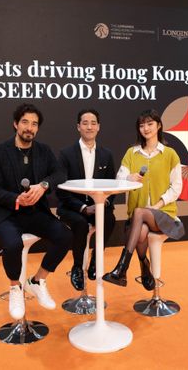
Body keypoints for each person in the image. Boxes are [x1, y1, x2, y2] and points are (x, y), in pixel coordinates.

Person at [0, 103, 71, 320]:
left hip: (34, 213)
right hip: (6, 213)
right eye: (25, 122)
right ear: (15, 124)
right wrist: (16, 198)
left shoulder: (44, 151)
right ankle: (16, 288)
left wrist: (43, 185)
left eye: (34, 124)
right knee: (13, 244)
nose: (29, 128)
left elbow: (60, 173)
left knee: (65, 236)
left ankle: (38, 280)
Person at [103, 109, 184, 291]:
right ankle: (143, 264)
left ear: (159, 126)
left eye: (150, 124)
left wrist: (157, 205)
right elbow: (118, 181)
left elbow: (176, 187)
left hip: (163, 214)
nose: (146, 128)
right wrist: (128, 178)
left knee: (140, 212)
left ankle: (122, 268)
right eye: (141, 125)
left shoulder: (170, 154)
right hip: (138, 219)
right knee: (140, 231)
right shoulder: (131, 153)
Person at [57, 109, 117, 291]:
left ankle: (95, 260)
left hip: (98, 206)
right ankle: (77, 267)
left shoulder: (107, 154)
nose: (89, 127)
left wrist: (104, 203)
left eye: (93, 123)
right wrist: (83, 208)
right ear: (78, 127)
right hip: (72, 207)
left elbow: (112, 186)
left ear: (98, 127)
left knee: (109, 219)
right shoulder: (66, 154)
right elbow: (61, 189)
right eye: (85, 123)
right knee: (81, 224)